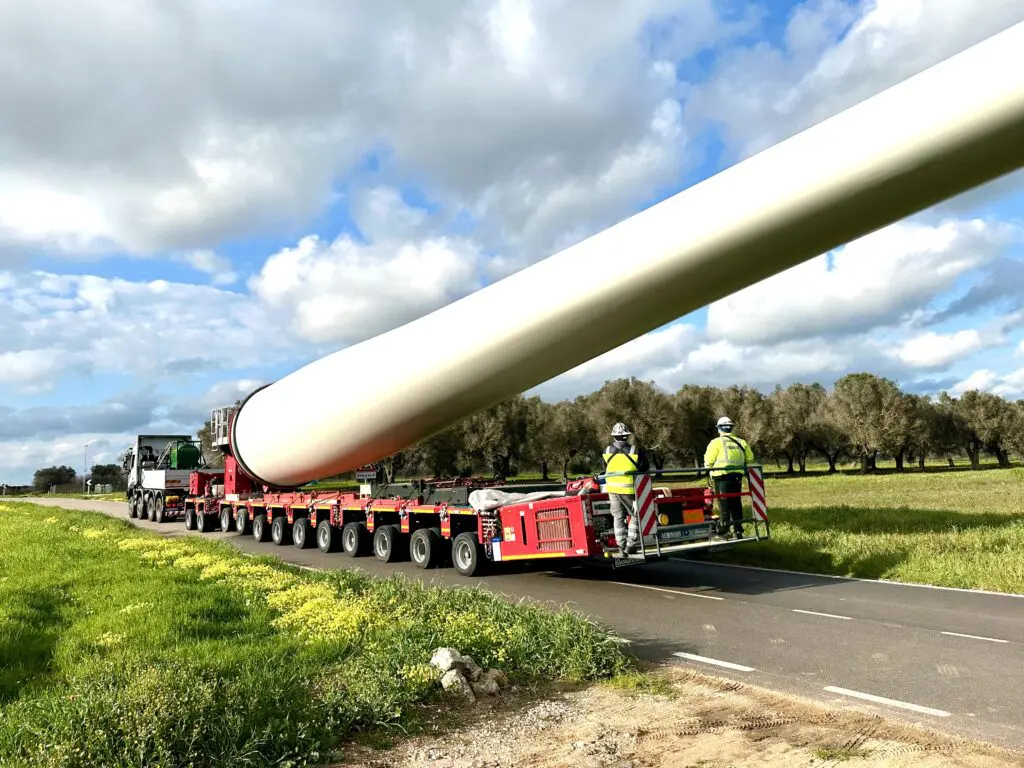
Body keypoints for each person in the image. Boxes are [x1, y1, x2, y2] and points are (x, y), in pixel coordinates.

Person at [601, 422, 650, 554]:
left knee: (617, 516)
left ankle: (621, 546)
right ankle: (631, 544)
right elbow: (645, 467)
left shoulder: (606, 451)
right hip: (628, 490)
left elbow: (604, 469)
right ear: (627, 436)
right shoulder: (635, 451)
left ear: (614, 437)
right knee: (637, 514)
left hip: (612, 489)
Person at [703, 416, 755, 538]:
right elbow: (750, 459)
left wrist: (708, 471)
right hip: (737, 477)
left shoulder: (716, 442)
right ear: (731, 428)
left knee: (724, 503)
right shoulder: (742, 442)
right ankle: (738, 529)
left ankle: (724, 528)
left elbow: (708, 460)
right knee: (736, 502)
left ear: (719, 429)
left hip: (721, 477)